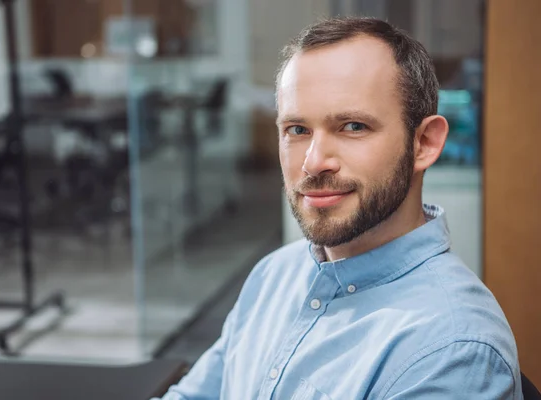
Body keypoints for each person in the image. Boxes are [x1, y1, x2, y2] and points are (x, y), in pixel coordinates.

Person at [157, 17, 522, 399]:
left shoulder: (450, 349)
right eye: (297, 130)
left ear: (424, 143)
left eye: (352, 126)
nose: (313, 162)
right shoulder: (275, 274)